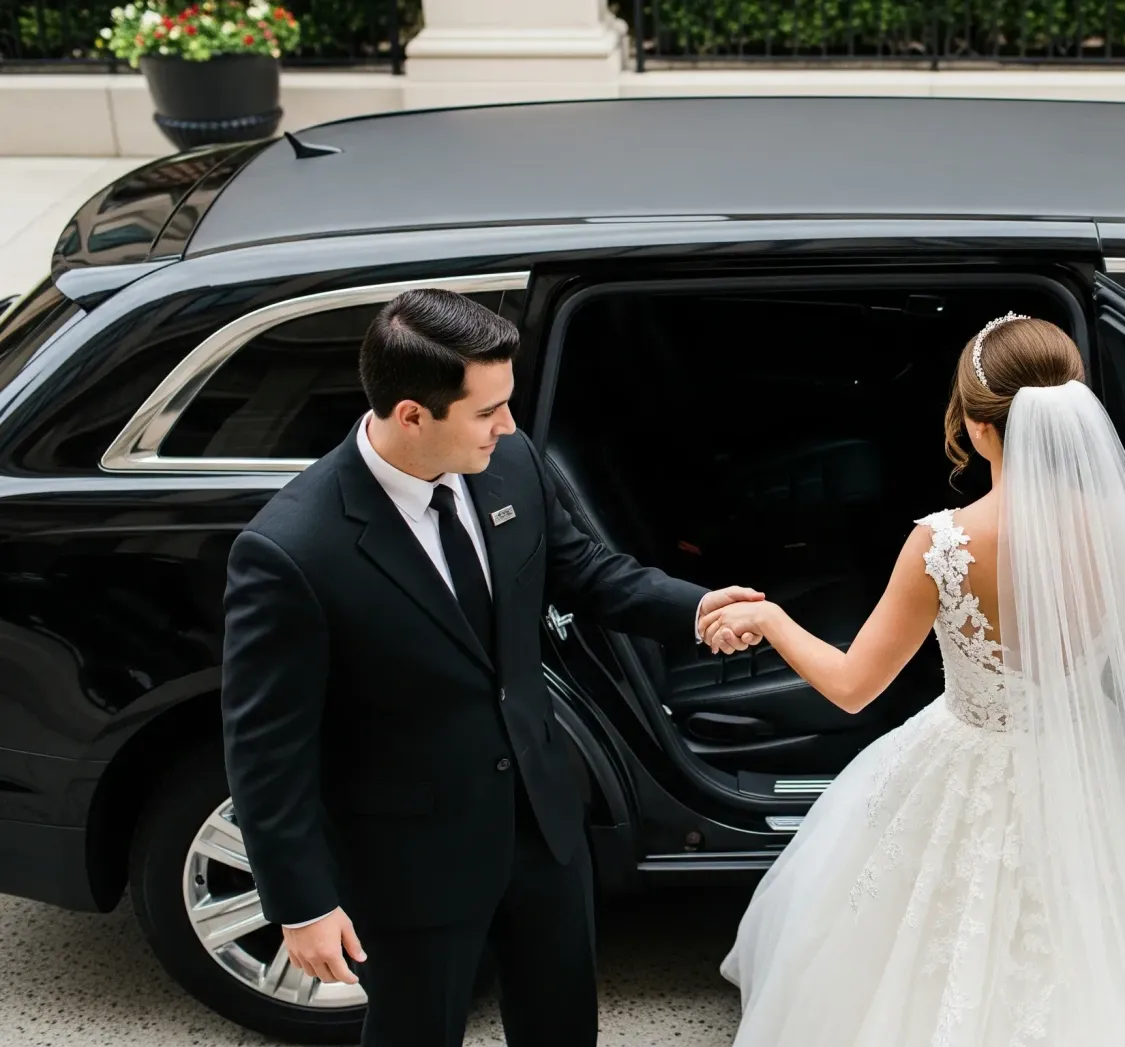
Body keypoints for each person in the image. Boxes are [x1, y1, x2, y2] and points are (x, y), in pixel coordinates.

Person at [702, 313, 1125, 1046]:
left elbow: (854, 685)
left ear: (978, 428)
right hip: (1086, 771)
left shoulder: (943, 542)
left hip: (968, 758)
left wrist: (771, 618)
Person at [220, 288, 764, 1047]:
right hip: (408, 856)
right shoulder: (290, 551)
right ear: (412, 413)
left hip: (542, 823)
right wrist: (301, 902)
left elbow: (588, 570)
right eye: (487, 411)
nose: (508, 425)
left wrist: (699, 609)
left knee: (562, 1026)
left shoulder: (509, 462)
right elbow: (265, 750)